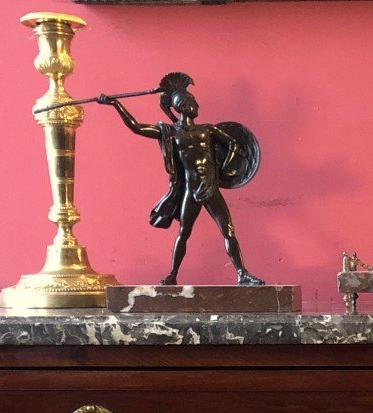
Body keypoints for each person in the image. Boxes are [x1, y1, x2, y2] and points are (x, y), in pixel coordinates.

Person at [99, 73, 264, 286]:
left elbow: (234, 144)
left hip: (211, 188)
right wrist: (115, 105)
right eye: (194, 102)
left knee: (228, 230)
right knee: (184, 232)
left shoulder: (208, 130)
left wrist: (225, 170)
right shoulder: (170, 133)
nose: (197, 105)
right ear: (184, 106)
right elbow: (136, 127)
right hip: (191, 191)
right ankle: (172, 275)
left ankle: (242, 273)